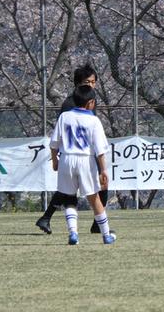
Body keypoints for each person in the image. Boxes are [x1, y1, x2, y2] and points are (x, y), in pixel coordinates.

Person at [36, 64, 113, 235]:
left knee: (70, 190)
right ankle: (101, 228)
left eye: (93, 82)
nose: (91, 85)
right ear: (77, 84)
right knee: (87, 191)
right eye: (87, 81)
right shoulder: (71, 104)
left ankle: (50, 219)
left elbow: (54, 142)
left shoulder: (90, 100)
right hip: (81, 154)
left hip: (74, 156)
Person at [49, 85, 115, 245]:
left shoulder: (64, 116)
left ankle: (73, 233)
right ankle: (106, 235)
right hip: (85, 160)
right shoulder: (93, 120)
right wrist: (103, 170)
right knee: (94, 198)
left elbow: (54, 143)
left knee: (69, 198)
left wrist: (55, 160)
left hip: (66, 159)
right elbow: (100, 149)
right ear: (91, 102)